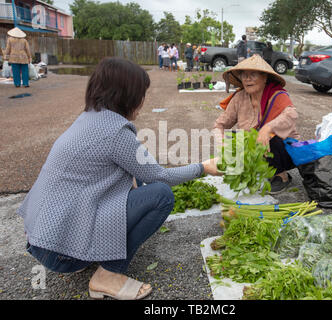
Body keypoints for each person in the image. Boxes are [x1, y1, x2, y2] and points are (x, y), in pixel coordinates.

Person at [16, 57, 221, 300]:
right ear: (127, 96)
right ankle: (109, 275)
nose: (142, 102)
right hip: (60, 255)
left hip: (43, 242)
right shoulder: (115, 132)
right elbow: (159, 176)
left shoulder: (89, 118)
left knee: (139, 179)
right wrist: (203, 167)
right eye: (141, 94)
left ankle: (87, 254)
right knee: (161, 195)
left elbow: (137, 170)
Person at [214, 54, 300, 194]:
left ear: (264, 77)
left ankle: (281, 175)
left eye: (253, 75)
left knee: (272, 137)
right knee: (233, 137)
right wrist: (222, 143)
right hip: (257, 149)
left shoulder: (276, 95)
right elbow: (220, 125)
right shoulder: (239, 97)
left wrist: (267, 128)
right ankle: (246, 170)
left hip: (284, 149)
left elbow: (292, 115)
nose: (247, 79)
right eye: (244, 75)